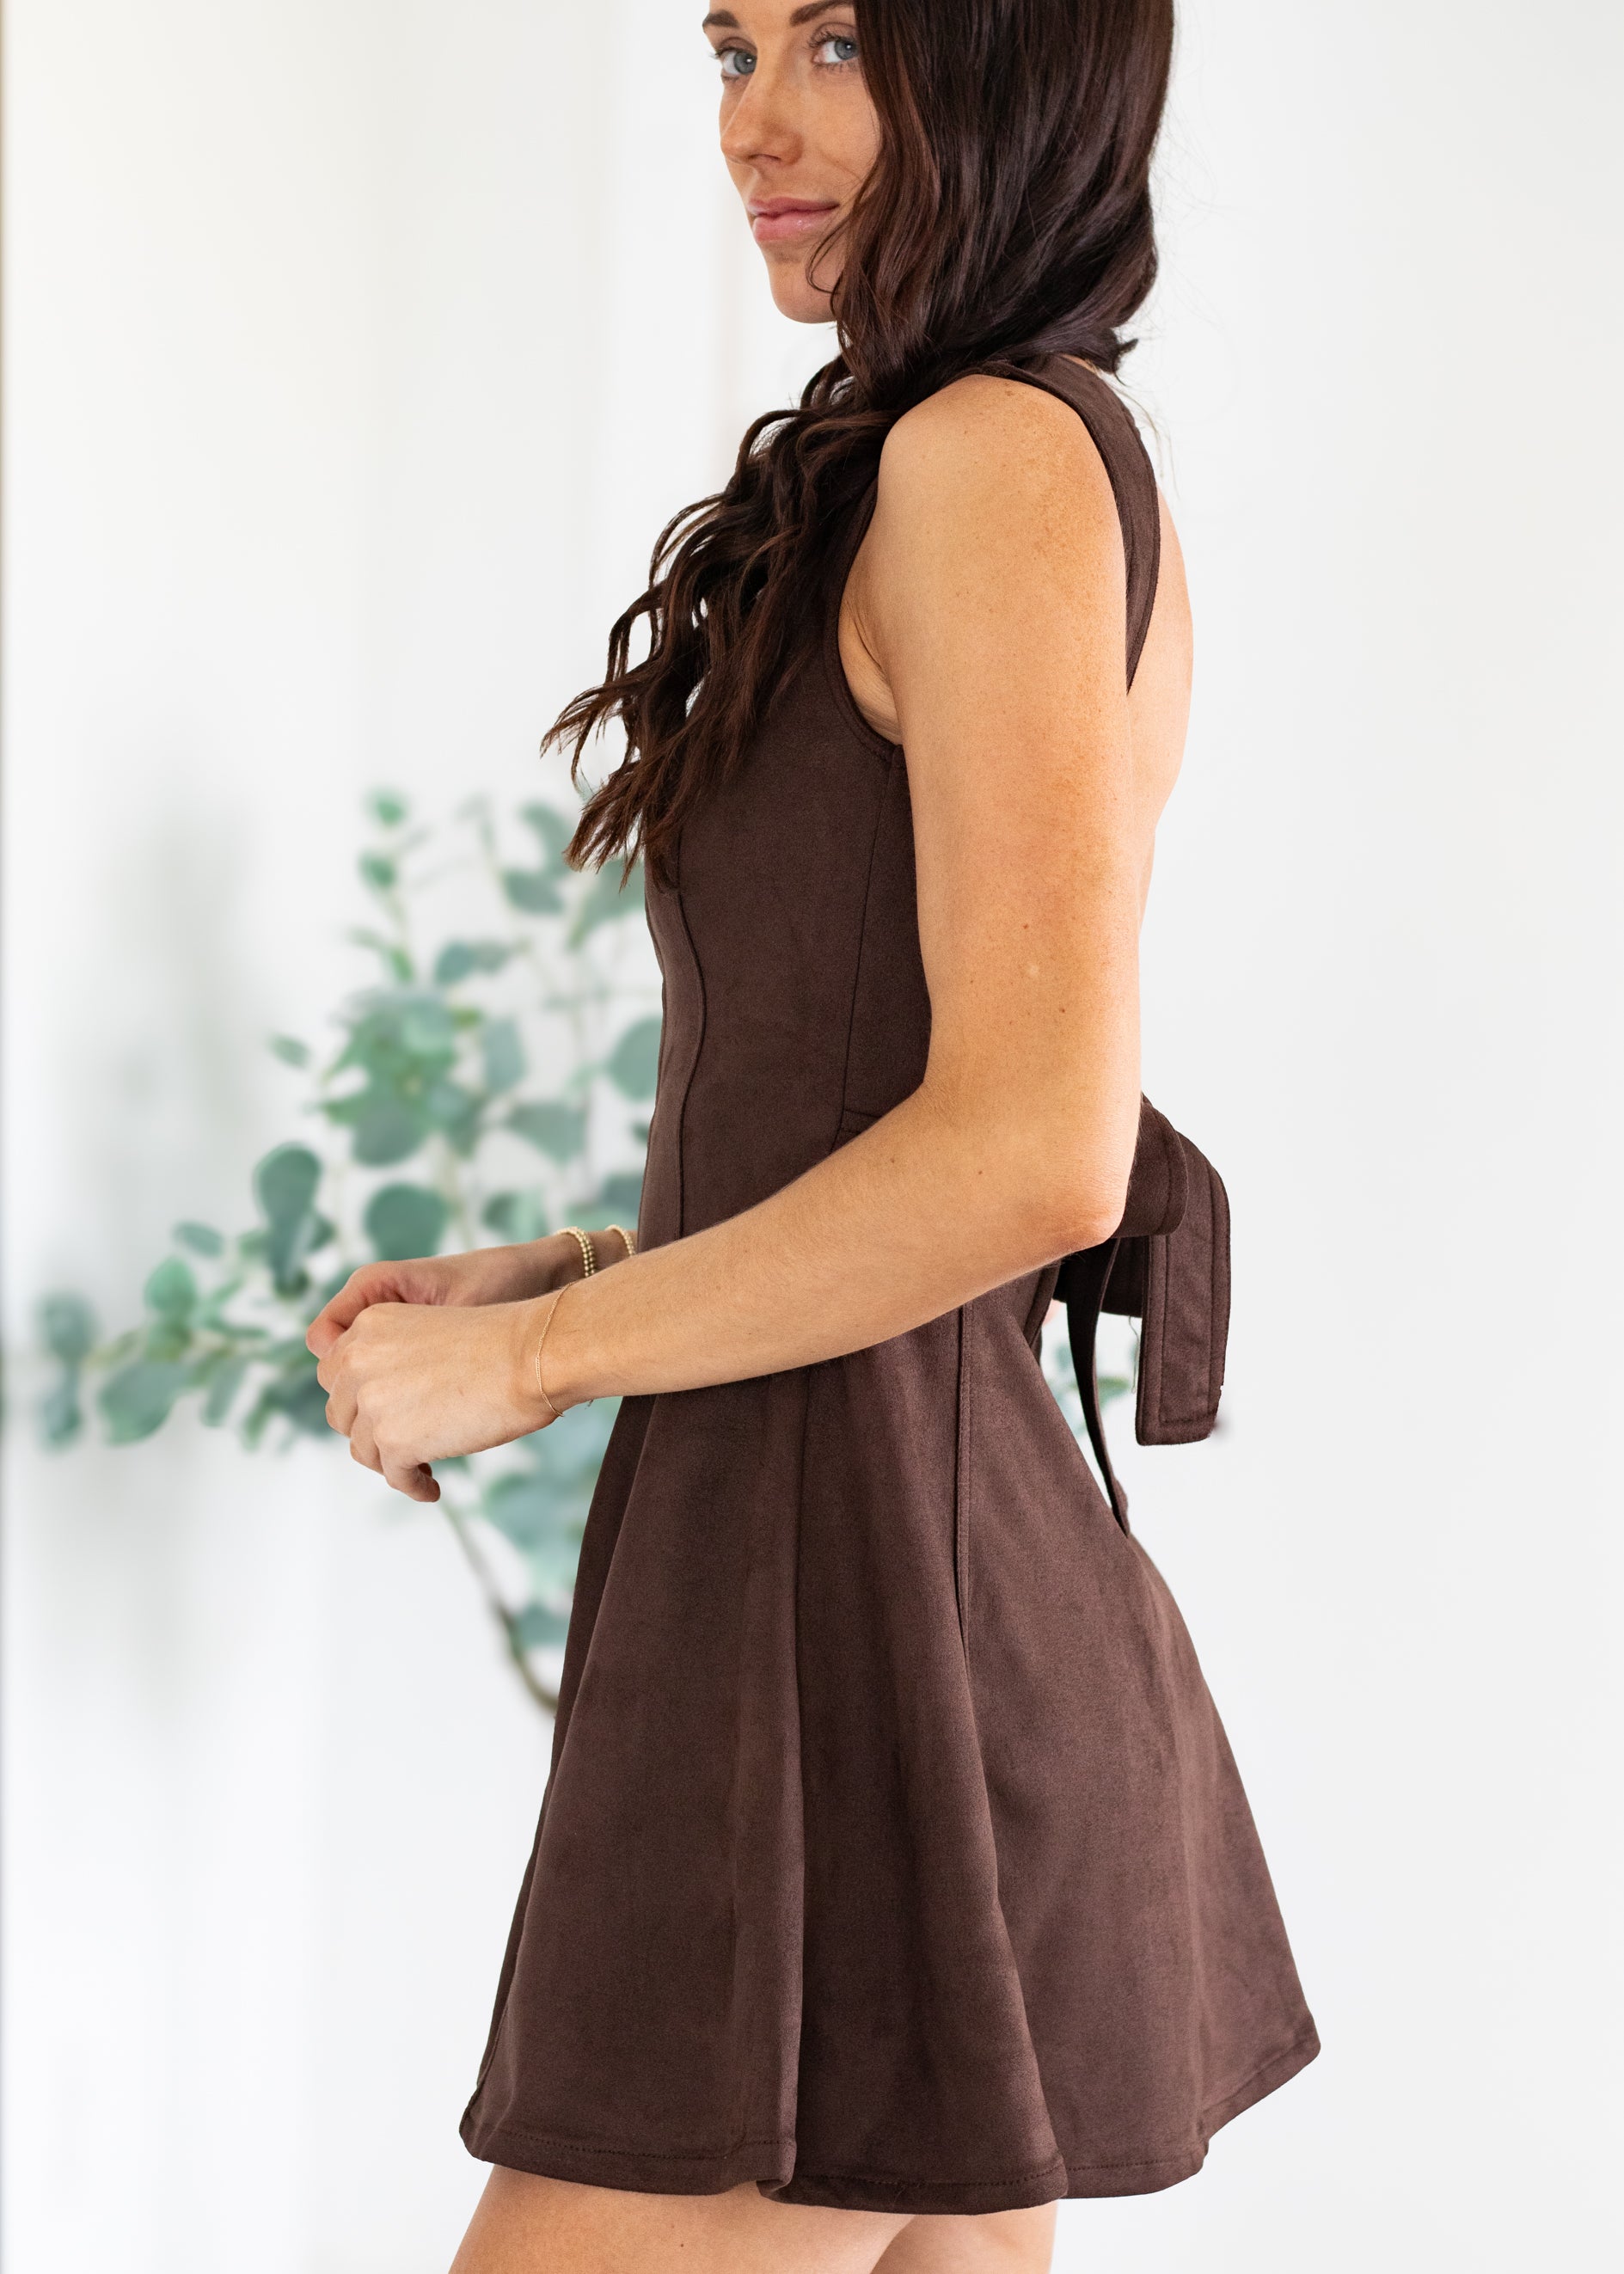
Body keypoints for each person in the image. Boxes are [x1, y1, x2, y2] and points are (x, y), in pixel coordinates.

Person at [309, 3, 1319, 2267]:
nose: (756, 115)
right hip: (875, 1597)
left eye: (841, 40)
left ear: (1017, 62)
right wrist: (571, 1273)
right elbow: (884, 1100)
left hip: (861, 1640)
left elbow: (1037, 1149)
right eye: (731, 43)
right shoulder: (991, 457)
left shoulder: (994, 460)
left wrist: (533, 1369)